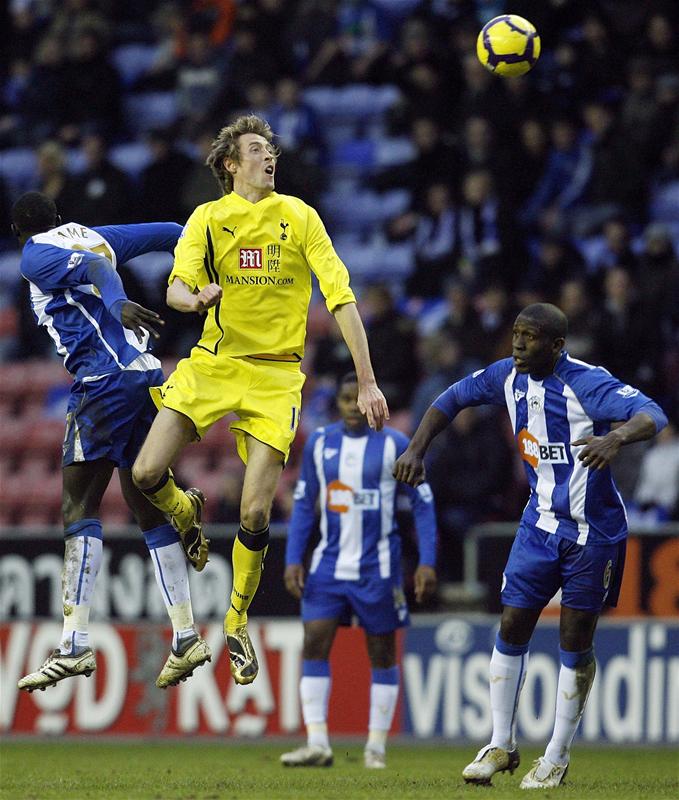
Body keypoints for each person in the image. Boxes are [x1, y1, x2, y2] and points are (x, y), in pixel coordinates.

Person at [131, 114, 389, 687]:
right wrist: (194, 297)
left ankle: (236, 622)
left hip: (276, 377)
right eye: (255, 149)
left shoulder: (300, 217)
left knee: (253, 512)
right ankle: (184, 510)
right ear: (231, 163)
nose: (268, 156)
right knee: (147, 471)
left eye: (270, 148)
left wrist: (367, 379)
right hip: (215, 365)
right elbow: (174, 286)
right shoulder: (208, 218)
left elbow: (341, 298)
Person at [393, 303, 668, 789]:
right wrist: (417, 448)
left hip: (593, 532)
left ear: (557, 345)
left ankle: (557, 756)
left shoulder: (587, 383)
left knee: (573, 641)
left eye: (531, 337)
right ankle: (501, 744)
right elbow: (450, 399)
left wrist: (617, 438)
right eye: (516, 333)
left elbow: (653, 414)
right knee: (512, 622)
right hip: (538, 524)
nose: (518, 343)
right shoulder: (506, 376)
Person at [12, 191, 211, 693]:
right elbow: (171, 230)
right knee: (146, 507)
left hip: (105, 381)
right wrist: (214, 264)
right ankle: (186, 635)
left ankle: (74, 643)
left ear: (20, 231)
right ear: (60, 217)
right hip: (145, 374)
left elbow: (101, 275)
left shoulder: (35, 254)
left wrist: (119, 303)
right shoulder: (95, 236)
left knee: (78, 506)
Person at [280, 372, 437, 769]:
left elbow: (422, 504)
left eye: (358, 399)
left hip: (378, 568)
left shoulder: (395, 445)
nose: (352, 406)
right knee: (314, 641)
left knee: (382, 653)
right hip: (328, 565)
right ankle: (317, 743)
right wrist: (293, 557)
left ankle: (375, 748)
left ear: (371, 402)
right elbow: (303, 504)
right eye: (345, 400)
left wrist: (427, 562)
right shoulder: (320, 443)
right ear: (338, 403)